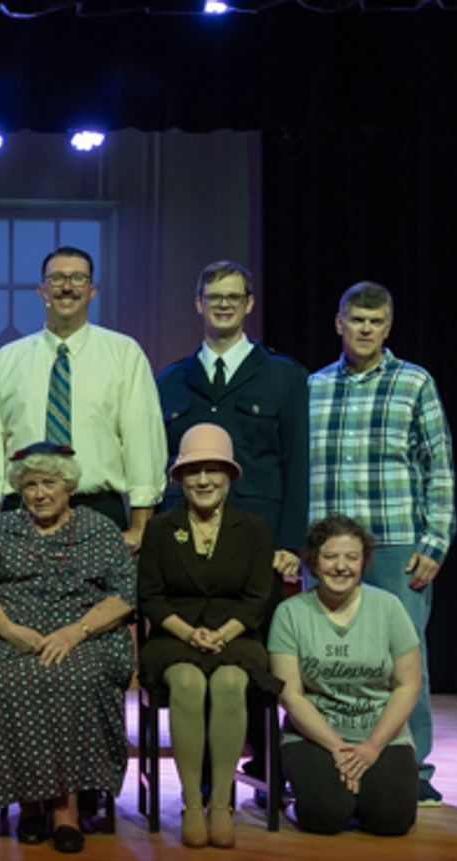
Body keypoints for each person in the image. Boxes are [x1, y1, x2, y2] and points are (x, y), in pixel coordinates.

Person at [155, 261, 308, 793]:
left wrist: (291, 542)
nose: (223, 304)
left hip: (261, 543)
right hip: (188, 543)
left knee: (257, 651)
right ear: (198, 304)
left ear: (249, 304)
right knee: (193, 655)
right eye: (212, 296)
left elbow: (298, 462)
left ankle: (266, 765)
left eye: (233, 296)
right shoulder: (171, 380)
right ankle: (200, 777)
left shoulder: (285, 377)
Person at [307, 281, 455, 806]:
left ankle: (412, 767)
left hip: (394, 544)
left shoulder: (414, 383)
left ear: (388, 327)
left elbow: (440, 468)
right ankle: (326, 759)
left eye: (376, 321)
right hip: (325, 550)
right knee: (320, 658)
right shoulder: (314, 387)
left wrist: (435, 542)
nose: (365, 329)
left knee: (404, 657)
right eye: (357, 319)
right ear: (339, 323)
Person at [0, 444, 136, 854]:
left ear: (68, 487)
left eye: (49, 483)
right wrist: (10, 630)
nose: (40, 493)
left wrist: (76, 631)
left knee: (75, 676)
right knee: (3, 677)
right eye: (31, 485)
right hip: (10, 635)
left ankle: (65, 808)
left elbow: (124, 595)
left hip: (84, 634)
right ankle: (29, 805)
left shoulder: (99, 529)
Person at [137, 424, 279, 848]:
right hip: (173, 634)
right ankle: (190, 804)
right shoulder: (161, 529)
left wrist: (222, 633)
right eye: (193, 471)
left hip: (235, 633)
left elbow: (258, 596)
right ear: (180, 477)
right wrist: (188, 632)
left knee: (231, 681)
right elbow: (151, 597)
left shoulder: (253, 529)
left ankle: (220, 802)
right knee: (187, 681)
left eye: (213, 470)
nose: (202, 480)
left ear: (230, 476)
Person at [0, 246, 166, 551]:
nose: (66, 287)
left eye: (78, 278)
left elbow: (142, 438)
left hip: (98, 510)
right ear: (41, 291)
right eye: (57, 279)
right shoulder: (8, 360)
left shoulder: (124, 354)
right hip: (22, 513)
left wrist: (140, 525)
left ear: (91, 291)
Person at [268, 515, 422, 836]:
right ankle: (310, 799)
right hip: (315, 734)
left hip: (379, 733)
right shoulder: (290, 613)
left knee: (391, 820)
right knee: (324, 816)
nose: (341, 566)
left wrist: (373, 747)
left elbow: (408, 685)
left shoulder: (389, 608)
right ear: (313, 560)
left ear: (363, 562)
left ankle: (362, 795)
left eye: (351, 557)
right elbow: (290, 695)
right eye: (330, 557)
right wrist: (337, 747)